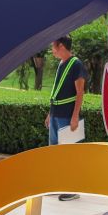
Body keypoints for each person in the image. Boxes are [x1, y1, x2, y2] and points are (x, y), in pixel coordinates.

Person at [45, 35, 87, 201]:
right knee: (54, 153)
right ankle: (56, 185)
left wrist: (75, 116)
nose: (52, 50)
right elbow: (57, 90)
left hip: (67, 117)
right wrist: (50, 113)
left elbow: (80, 92)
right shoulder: (61, 64)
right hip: (56, 114)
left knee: (69, 154)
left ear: (61, 46)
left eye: (53, 46)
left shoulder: (76, 64)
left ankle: (72, 189)